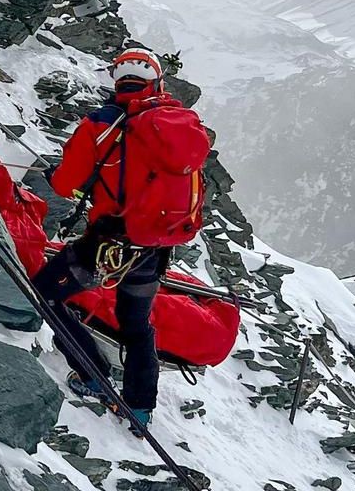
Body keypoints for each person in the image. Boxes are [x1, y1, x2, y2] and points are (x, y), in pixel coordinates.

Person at [38, 48, 212, 426]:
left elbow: (65, 184)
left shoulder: (102, 124)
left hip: (106, 243)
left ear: (117, 82)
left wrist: (62, 177)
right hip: (154, 245)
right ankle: (139, 407)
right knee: (137, 325)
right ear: (158, 83)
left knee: (46, 294)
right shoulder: (184, 127)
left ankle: (92, 374)